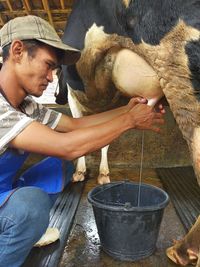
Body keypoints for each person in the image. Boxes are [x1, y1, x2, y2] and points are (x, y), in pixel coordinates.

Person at [0, 15, 165, 267]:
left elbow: (74, 125)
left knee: (60, 166)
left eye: (55, 70)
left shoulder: (27, 106)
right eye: (48, 65)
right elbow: (68, 146)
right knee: (31, 207)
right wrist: (130, 121)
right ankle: (19, 230)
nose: (52, 78)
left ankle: (23, 229)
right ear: (18, 51)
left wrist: (127, 109)